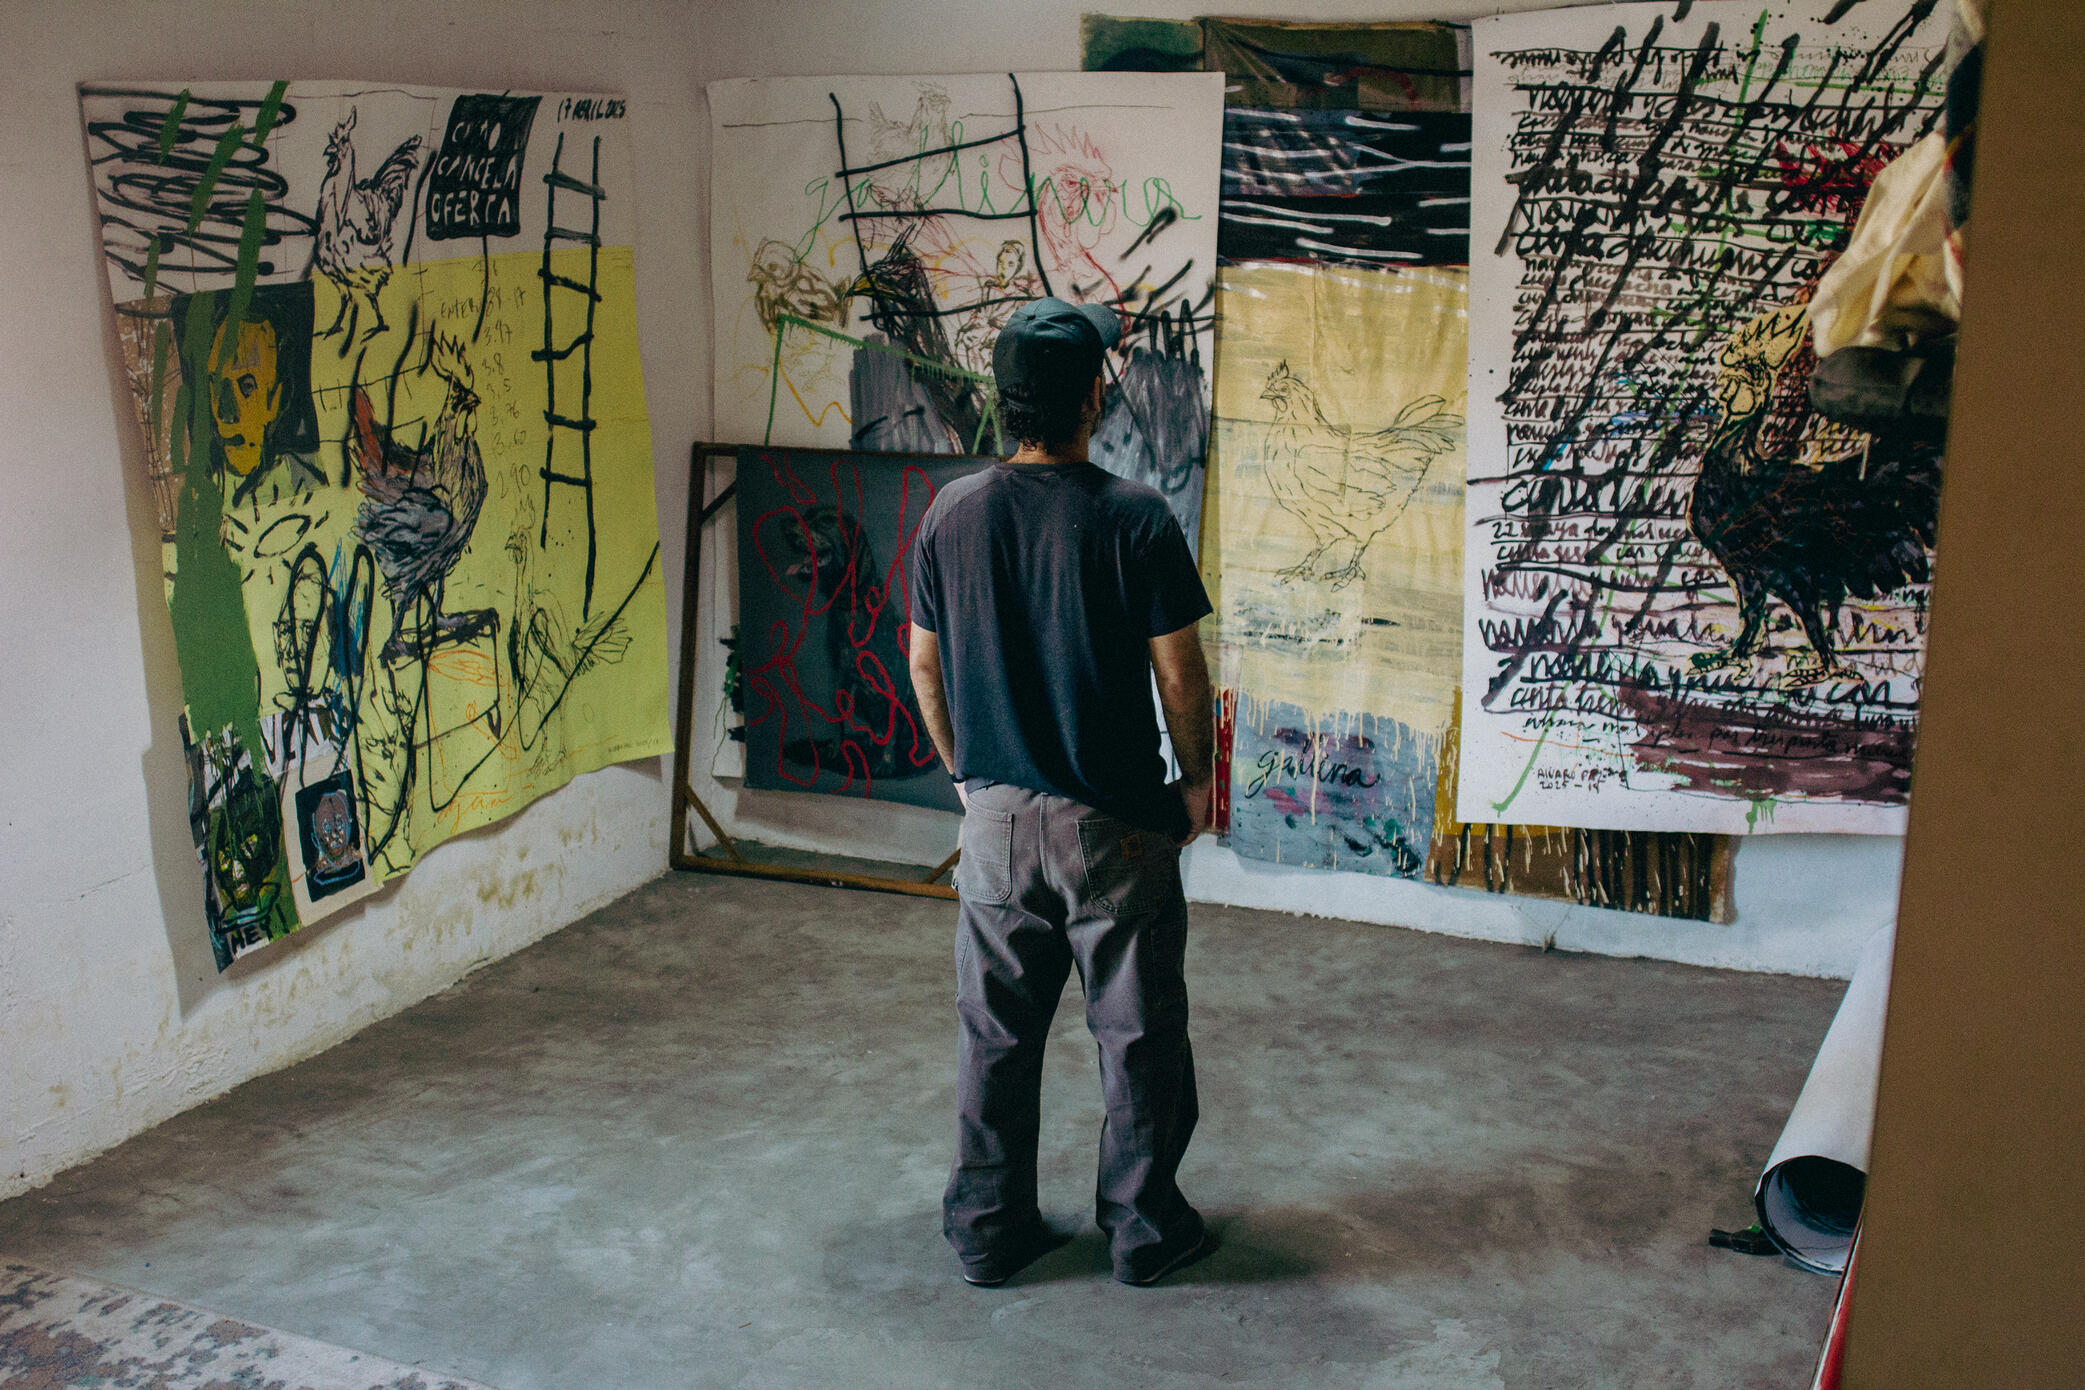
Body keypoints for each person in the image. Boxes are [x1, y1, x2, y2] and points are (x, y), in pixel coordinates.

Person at [906, 297, 1218, 1288]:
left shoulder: (950, 513)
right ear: (1093, 398)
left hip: (996, 824)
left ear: (1003, 400)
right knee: (1137, 1038)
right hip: (1112, 827)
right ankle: (1143, 1231)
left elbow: (923, 664)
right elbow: (1179, 675)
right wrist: (1198, 782)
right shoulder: (1135, 516)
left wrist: (966, 775)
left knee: (994, 1039)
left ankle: (987, 1230)